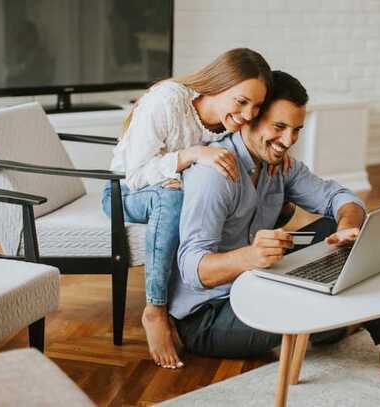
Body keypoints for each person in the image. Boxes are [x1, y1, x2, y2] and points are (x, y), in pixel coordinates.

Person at [169, 71, 380, 374]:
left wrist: (348, 226)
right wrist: (249, 257)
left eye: (296, 130)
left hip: (256, 282)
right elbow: (193, 269)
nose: (288, 141)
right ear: (250, 118)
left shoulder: (277, 163)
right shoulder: (215, 175)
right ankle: (337, 325)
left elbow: (339, 196)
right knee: (320, 301)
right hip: (209, 315)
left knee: (331, 235)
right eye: (279, 127)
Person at [102, 48, 274, 369]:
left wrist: (272, 154)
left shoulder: (229, 123)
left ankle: (221, 289)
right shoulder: (167, 101)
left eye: (257, 106)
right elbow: (135, 175)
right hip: (124, 194)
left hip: (172, 191)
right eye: (242, 102)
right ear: (218, 85)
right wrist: (191, 154)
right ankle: (155, 310)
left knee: (196, 194)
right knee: (172, 197)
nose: (249, 114)